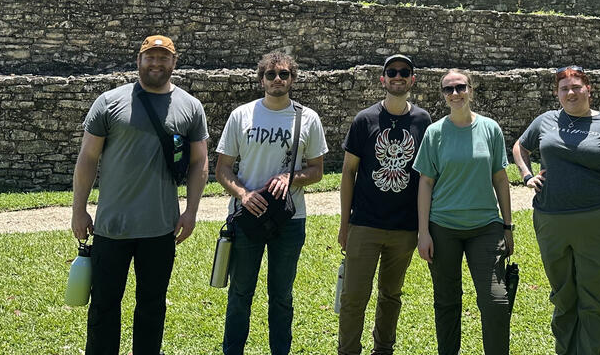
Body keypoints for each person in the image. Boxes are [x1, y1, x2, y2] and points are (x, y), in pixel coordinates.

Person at [71, 35, 210, 355]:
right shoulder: (109, 102)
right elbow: (88, 158)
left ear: (174, 62)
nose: (156, 63)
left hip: (160, 227)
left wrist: (191, 211)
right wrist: (79, 209)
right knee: (104, 306)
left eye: (163, 57)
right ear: (139, 60)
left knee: (152, 306)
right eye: (150, 57)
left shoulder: (191, 107)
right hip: (111, 226)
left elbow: (199, 161)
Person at [512, 65, 600, 355]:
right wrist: (527, 174)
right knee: (563, 297)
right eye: (564, 89)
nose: (570, 93)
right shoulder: (546, 121)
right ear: (557, 93)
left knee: (593, 299)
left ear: (588, 89)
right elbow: (520, 147)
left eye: (576, 87)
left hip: (598, 224)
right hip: (550, 222)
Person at [215, 51, 329, 355]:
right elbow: (223, 169)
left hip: (289, 219)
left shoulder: (307, 118)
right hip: (247, 215)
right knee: (240, 293)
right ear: (261, 79)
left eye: (284, 74)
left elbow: (317, 171)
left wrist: (291, 178)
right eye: (271, 74)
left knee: (282, 296)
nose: (277, 79)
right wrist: (243, 194)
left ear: (293, 78)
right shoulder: (242, 116)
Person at [337, 54, 432, 355]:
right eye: (392, 72)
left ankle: (383, 350)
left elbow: (427, 176)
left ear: (412, 79)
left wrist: (424, 228)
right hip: (365, 223)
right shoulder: (364, 120)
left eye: (404, 72)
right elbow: (348, 173)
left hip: (404, 227)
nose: (398, 76)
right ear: (383, 79)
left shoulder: (423, 121)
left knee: (391, 295)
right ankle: (348, 351)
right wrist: (345, 224)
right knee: (354, 296)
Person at [414, 69, 513, 355]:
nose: (455, 93)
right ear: (443, 95)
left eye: (460, 87)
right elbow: (426, 183)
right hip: (443, 227)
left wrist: (508, 226)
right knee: (447, 301)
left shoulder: (490, 129)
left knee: (496, 301)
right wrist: (423, 232)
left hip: (485, 226)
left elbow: (500, 179)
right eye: (448, 89)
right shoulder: (435, 133)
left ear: (471, 89)